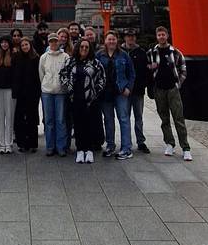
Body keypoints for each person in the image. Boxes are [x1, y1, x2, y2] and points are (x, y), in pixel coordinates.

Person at [147, 26, 191, 160]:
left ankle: (186, 147)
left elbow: (183, 69)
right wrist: (150, 68)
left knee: (179, 118)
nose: (161, 37)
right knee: (164, 118)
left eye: (163, 34)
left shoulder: (176, 52)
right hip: (159, 89)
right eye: (159, 35)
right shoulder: (151, 53)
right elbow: (147, 68)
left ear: (167, 36)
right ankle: (170, 143)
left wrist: (178, 84)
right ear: (156, 36)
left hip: (173, 89)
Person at [61, 38, 105, 164]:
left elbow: (102, 78)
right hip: (75, 99)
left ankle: (89, 150)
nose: (84, 49)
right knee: (78, 125)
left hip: (91, 99)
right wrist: (68, 87)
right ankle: (80, 149)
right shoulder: (70, 61)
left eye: (86, 47)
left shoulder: (95, 63)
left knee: (91, 124)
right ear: (78, 48)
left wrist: (95, 91)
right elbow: (62, 74)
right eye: (82, 47)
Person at [96, 31, 135, 159]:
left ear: (116, 41)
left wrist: (129, 87)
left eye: (113, 39)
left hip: (121, 91)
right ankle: (110, 145)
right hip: (105, 92)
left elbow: (131, 73)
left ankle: (126, 148)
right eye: (109, 39)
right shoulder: (99, 55)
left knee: (123, 119)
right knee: (108, 120)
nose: (111, 41)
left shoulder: (123, 55)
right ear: (105, 41)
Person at [38, 32, 69, 157]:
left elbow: (68, 73)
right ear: (48, 42)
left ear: (59, 42)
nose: (54, 43)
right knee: (49, 120)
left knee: (60, 120)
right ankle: (50, 146)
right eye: (51, 41)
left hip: (61, 92)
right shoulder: (44, 57)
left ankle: (61, 146)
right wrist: (46, 84)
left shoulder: (65, 56)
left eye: (55, 41)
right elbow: (41, 73)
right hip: (47, 92)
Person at [123, 28, 150, 153]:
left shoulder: (141, 52)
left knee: (138, 117)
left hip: (138, 91)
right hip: (124, 91)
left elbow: (146, 71)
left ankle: (141, 141)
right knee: (125, 117)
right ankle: (126, 141)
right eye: (128, 36)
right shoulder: (120, 52)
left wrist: (144, 85)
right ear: (125, 38)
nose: (130, 38)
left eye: (133, 36)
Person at [12, 37, 41, 151]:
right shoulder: (16, 58)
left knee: (32, 118)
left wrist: (37, 92)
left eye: (26, 45)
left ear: (30, 45)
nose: (24, 47)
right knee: (20, 119)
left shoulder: (36, 58)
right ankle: (22, 143)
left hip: (32, 93)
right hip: (20, 93)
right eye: (22, 45)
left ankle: (33, 143)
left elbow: (38, 76)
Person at [0, 36, 16, 153]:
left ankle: (9, 143)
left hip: (10, 90)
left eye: (6, 42)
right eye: (2, 42)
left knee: (10, 117)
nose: (4, 44)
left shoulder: (14, 56)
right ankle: (1, 144)